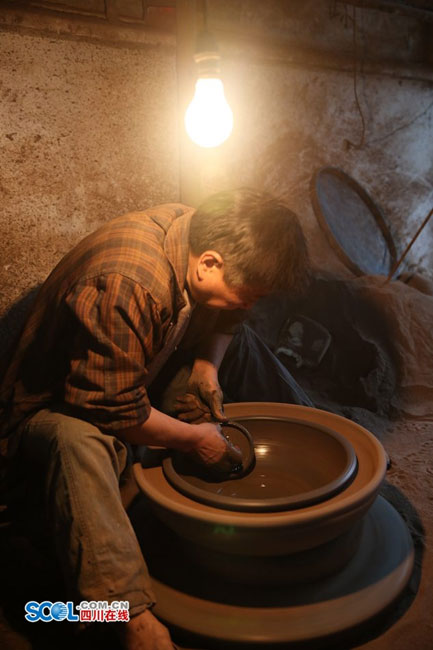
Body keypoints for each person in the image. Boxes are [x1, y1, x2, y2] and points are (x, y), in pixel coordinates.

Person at [0, 188, 311, 649]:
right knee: (79, 439)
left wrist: (207, 365)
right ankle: (129, 620)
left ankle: (320, 439)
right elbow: (109, 407)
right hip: (51, 410)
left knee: (234, 349)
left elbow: (227, 319)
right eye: (247, 295)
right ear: (209, 263)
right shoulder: (130, 282)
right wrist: (194, 440)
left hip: (131, 372)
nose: (248, 306)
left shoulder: (197, 230)